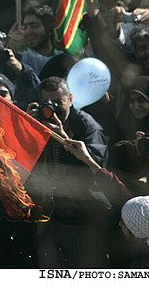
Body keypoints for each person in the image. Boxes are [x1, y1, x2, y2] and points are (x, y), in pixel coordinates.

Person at [26, 76, 109, 267]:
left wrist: (64, 139)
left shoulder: (86, 126)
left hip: (84, 217)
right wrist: (26, 127)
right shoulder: (37, 122)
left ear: (70, 99)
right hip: (51, 216)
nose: (53, 109)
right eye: (48, 103)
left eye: (58, 102)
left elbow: (96, 167)